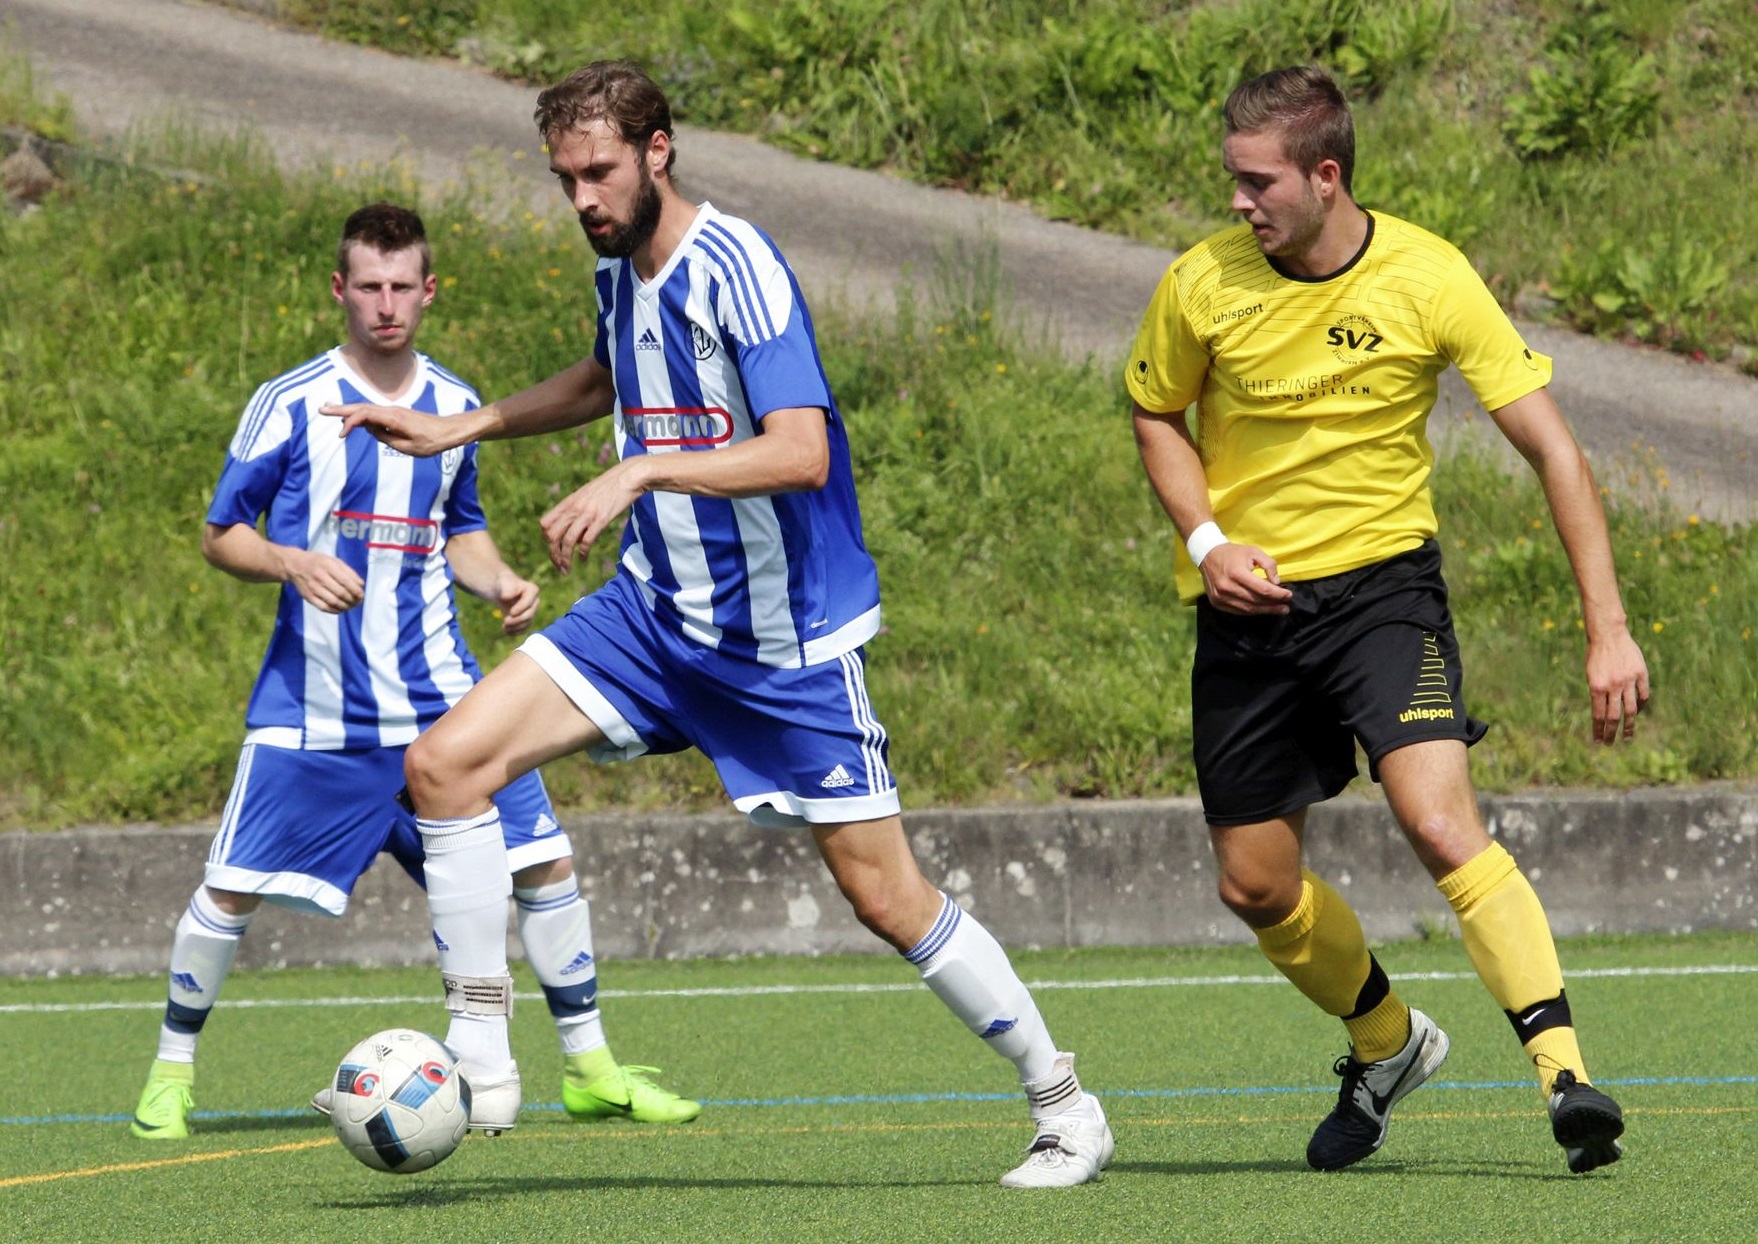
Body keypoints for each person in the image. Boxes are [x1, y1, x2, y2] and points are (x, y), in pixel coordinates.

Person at [325, 61, 1113, 1189]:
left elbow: (802, 448)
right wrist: (463, 428)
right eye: (565, 179)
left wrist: (645, 469)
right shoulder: (619, 271)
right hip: (653, 618)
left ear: (658, 152)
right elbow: (607, 378)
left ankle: (1066, 1104)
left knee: (887, 896)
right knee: (446, 763)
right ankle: (482, 1054)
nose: (584, 198)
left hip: (782, 645)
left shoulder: (736, 267)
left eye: (599, 172)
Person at [1128, 65, 1651, 1175]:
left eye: (1256, 181)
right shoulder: (1200, 284)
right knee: (1254, 884)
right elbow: (1155, 409)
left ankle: (1565, 1075)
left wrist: (1608, 627)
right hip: (1249, 609)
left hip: (1382, 595)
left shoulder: (1427, 275)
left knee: (1437, 817)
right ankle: (1386, 1039)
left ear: (1325, 177)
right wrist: (1209, 546)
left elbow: (1555, 448)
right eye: (1232, 179)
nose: (1237, 202)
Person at [129, 203, 699, 1141]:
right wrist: (290, 561)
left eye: (403, 287)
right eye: (369, 286)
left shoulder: (454, 404)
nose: (386, 305)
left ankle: (592, 1067)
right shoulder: (289, 402)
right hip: (317, 712)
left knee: (544, 860)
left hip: (441, 704)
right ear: (340, 291)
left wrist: (502, 580)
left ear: (428, 292)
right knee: (228, 888)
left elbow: (459, 531)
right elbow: (219, 535)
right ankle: (172, 1075)